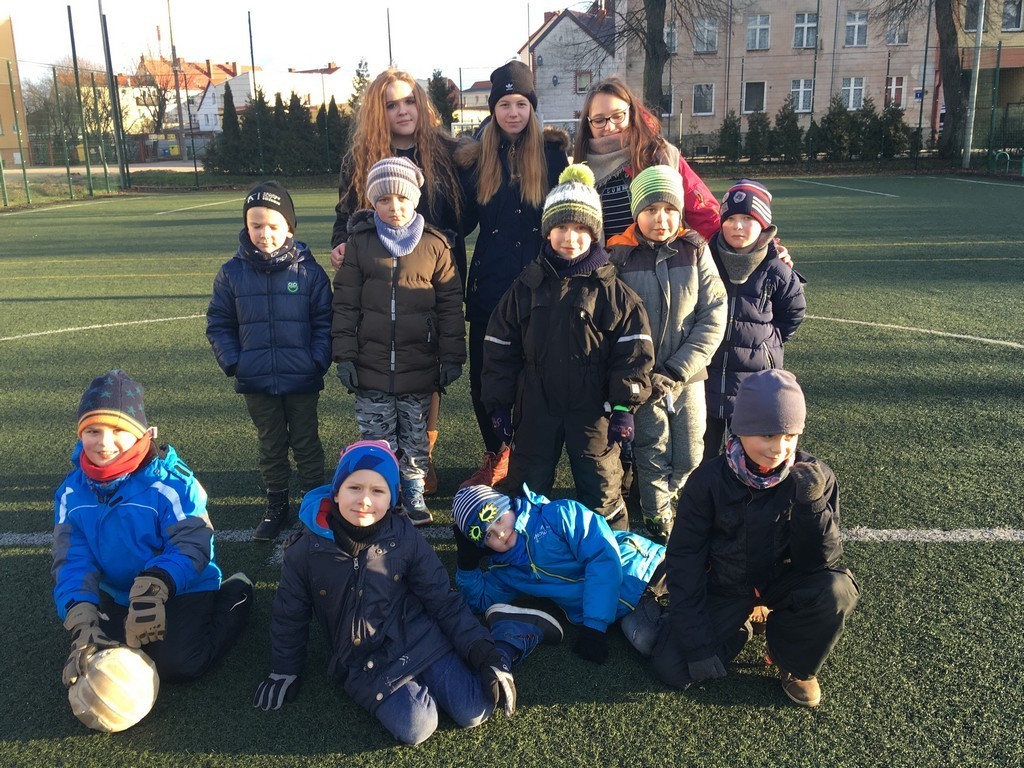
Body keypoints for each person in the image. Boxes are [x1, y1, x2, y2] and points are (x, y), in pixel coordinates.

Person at [253, 440, 563, 745]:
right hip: (365, 659)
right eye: (354, 487)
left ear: (392, 498)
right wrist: (284, 669)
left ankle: (507, 638)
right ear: (336, 493)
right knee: (417, 726)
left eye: (378, 491)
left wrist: (486, 653)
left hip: (421, 636)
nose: (364, 500)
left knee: (475, 710)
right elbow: (289, 615)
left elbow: (443, 600)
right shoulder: (305, 551)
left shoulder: (404, 536)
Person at [645, 369, 860, 707]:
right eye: (768, 434)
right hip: (726, 585)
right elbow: (684, 561)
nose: (779, 448)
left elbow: (821, 562)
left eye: (790, 436)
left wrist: (813, 505)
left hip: (783, 580)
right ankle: (744, 623)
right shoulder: (707, 481)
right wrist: (698, 646)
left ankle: (792, 662)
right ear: (740, 429)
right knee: (672, 667)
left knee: (837, 590)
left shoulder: (815, 478)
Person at [52, 370, 253, 688]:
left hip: (181, 586)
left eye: (118, 430)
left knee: (178, 665)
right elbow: (72, 560)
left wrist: (155, 586)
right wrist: (81, 614)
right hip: (119, 593)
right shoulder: (70, 492)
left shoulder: (171, 484)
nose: (104, 443)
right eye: (93, 430)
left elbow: (193, 543)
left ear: (141, 432)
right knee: (101, 658)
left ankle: (235, 593)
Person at [481, 163, 654, 531]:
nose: (570, 238)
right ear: (548, 231)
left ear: (594, 233)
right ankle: (525, 547)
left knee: (601, 485)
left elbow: (634, 354)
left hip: (592, 408)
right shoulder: (526, 285)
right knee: (527, 483)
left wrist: (624, 405)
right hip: (536, 403)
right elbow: (499, 347)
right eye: (561, 227)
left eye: (580, 229)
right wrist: (498, 403)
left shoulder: (614, 291)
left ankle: (611, 549)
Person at [329, 69, 468, 496]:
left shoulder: (447, 152)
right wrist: (340, 243)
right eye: (392, 104)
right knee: (388, 367)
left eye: (409, 101)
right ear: (379, 112)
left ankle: (422, 459)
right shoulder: (361, 158)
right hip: (379, 274)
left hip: (431, 274)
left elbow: (470, 210)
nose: (403, 110)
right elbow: (344, 215)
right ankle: (391, 468)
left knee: (426, 370)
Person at [455, 60, 569, 488]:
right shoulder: (474, 158)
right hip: (490, 288)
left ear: (532, 107)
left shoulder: (553, 154)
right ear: (493, 109)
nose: (513, 112)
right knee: (486, 377)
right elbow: (459, 221)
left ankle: (532, 452)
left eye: (521, 103)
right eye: (505, 104)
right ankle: (497, 451)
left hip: (543, 288)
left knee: (537, 376)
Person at [207, 181, 333, 541]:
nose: (265, 234)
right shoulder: (231, 273)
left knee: (307, 443)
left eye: (273, 226)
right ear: (246, 227)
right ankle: (276, 504)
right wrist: (236, 363)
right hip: (256, 380)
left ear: (289, 227)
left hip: (301, 378)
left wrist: (317, 360)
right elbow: (219, 323)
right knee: (271, 444)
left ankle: (314, 504)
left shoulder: (309, 272)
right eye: (256, 225)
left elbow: (326, 322)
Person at [607, 165, 728, 541]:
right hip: (644, 382)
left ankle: (674, 496)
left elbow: (714, 313)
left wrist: (677, 369)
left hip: (686, 378)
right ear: (636, 213)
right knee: (651, 449)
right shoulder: (618, 255)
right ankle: (657, 515)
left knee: (691, 452)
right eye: (651, 209)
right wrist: (637, 373)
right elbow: (611, 322)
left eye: (670, 209)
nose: (661, 218)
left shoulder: (695, 250)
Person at [452, 483, 668, 665]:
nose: (499, 533)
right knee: (647, 641)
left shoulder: (559, 514)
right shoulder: (505, 570)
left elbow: (602, 557)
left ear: (509, 506)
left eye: (498, 519)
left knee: (684, 587)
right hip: (625, 606)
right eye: (488, 535)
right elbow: (479, 602)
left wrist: (594, 625)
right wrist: (466, 564)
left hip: (644, 566)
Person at [703, 180, 806, 459]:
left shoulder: (777, 269)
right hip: (708, 375)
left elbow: (793, 312)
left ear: (764, 225)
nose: (737, 226)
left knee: (748, 453)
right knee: (704, 451)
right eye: (730, 219)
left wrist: (767, 342)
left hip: (753, 380)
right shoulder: (705, 259)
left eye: (748, 219)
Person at [574, 75, 720, 241]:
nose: (610, 126)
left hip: (660, 257)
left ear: (631, 113)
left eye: (618, 116)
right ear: (588, 123)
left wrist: (724, 245)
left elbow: (703, 215)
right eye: (599, 120)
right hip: (603, 258)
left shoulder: (660, 154)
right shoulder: (580, 169)